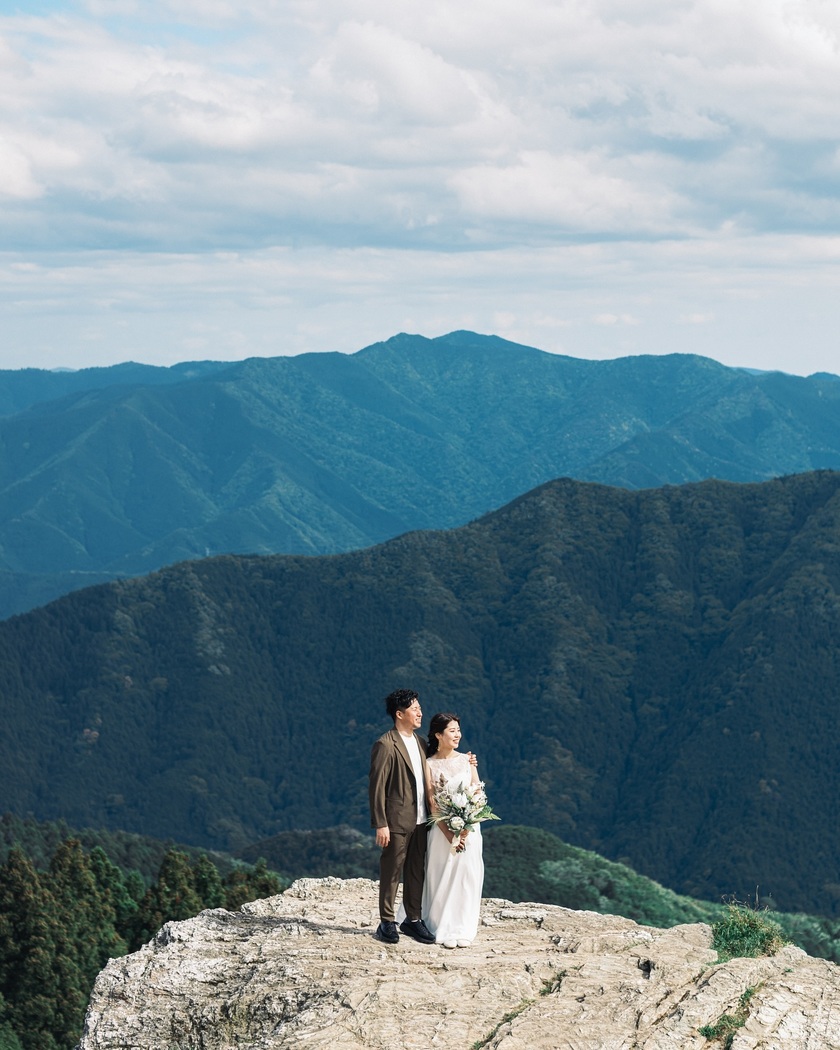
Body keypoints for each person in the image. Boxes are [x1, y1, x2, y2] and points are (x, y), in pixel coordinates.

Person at [368, 688, 436, 945]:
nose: (420, 712)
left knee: (416, 870)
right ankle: (387, 921)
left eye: (420, 707)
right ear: (399, 714)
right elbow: (376, 787)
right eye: (414, 708)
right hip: (396, 820)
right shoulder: (385, 744)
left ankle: (413, 919)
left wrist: (467, 762)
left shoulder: (420, 742)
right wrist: (381, 823)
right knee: (392, 869)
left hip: (422, 818)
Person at [422, 712, 485, 949]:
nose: (457, 735)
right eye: (452, 731)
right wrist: (450, 834)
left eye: (458, 730)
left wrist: (468, 824)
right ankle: (443, 926)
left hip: (469, 829)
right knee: (443, 875)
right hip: (442, 830)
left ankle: (463, 927)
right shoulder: (429, 764)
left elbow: (477, 792)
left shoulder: (467, 760)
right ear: (438, 735)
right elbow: (432, 803)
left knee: (467, 876)